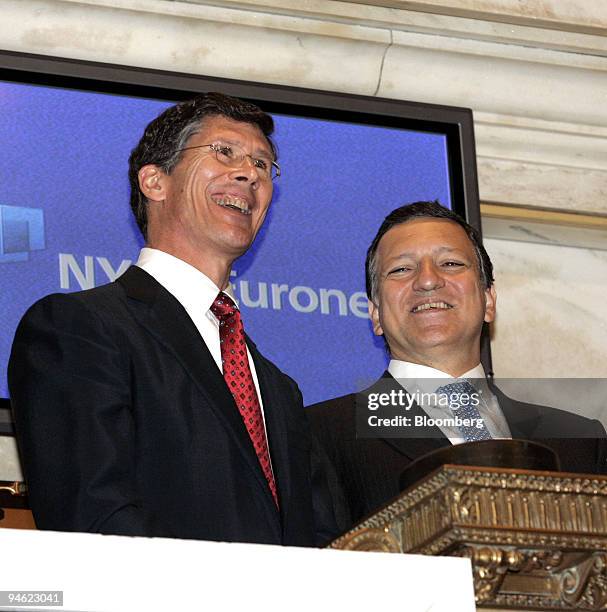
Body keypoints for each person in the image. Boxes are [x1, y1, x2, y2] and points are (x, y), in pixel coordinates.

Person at [9, 92, 337, 545]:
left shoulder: (278, 389)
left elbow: (322, 541)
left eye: (263, 165)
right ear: (154, 182)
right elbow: (93, 517)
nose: (249, 174)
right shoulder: (79, 327)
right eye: (224, 153)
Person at [307, 200, 607, 528]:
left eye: (450, 263)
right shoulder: (317, 434)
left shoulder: (581, 442)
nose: (427, 281)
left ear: (489, 300)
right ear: (376, 313)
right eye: (401, 269)